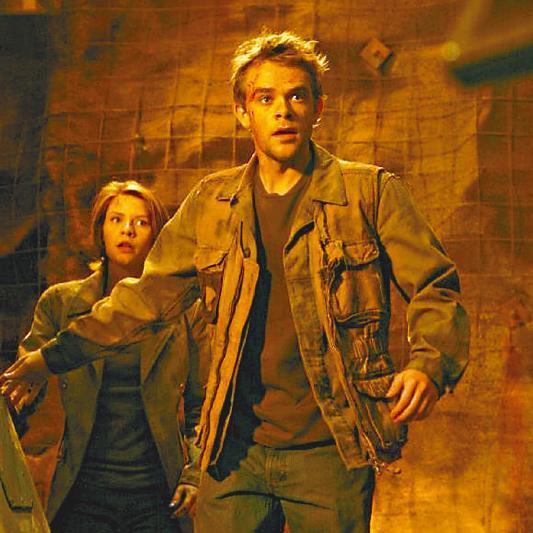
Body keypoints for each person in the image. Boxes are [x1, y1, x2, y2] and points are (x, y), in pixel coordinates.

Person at [1, 31, 469, 533]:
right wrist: (49, 358)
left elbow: (435, 285)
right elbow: (142, 301)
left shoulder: (368, 194)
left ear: (318, 108)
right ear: (243, 112)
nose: (283, 111)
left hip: (330, 452)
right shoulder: (212, 204)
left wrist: (428, 365)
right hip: (233, 453)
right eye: (265, 98)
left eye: (297, 96)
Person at [5, 180, 204, 532]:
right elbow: (25, 380)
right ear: (100, 229)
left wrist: (194, 472)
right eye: (117, 219)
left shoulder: (184, 309)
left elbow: (200, 403)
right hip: (83, 490)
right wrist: (20, 396)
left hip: (158, 493)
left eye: (141, 222)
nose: (128, 230)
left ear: (157, 235)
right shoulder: (61, 302)